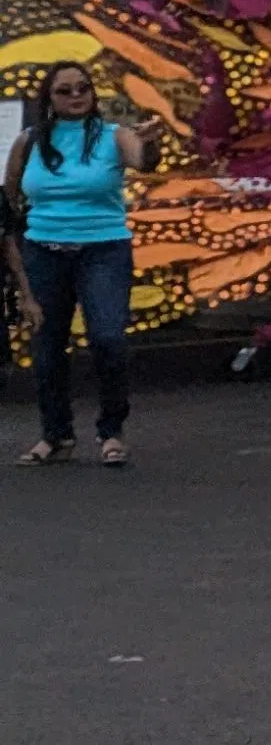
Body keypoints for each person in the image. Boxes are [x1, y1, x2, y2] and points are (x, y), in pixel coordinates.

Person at [10, 59, 147, 467]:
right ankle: (56, 435)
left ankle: (111, 430)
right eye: (64, 91)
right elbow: (11, 197)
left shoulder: (113, 136)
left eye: (82, 89)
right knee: (47, 344)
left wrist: (149, 143)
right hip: (43, 251)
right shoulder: (30, 141)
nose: (75, 97)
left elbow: (143, 160)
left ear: (93, 94)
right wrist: (16, 260)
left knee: (108, 338)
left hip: (103, 249)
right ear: (49, 99)